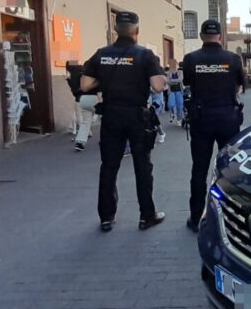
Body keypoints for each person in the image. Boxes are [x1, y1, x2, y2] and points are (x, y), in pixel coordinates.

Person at [80, 12, 167, 233]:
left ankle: (106, 218)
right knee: (142, 166)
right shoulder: (145, 55)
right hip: (137, 116)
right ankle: (146, 216)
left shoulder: (101, 54)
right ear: (137, 31)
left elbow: (85, 84)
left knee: (109, 167)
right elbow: (157, 86)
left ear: (116, 30)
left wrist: (107, 78)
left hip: (111, 115)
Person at [182, 19, 246, 233]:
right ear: (221, 36)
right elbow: (240, 86)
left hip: (201, 119)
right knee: (229, 169)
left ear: (201, 36)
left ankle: (195, 217)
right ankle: (230, 218)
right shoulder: (233, 59)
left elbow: (189, 84)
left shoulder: (191, 59)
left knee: (199, 169)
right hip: (228, 117)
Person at [65, 60, 99, 151]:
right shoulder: (97, 73)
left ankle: (80, 142)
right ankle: (106, 140)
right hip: (96, 98)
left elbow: (75, 89)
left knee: (85, 121)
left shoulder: (76, 74)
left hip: (83, 99)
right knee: (107, 119)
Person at [166, 59, 184, 125]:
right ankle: (172, 114)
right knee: (171, 104)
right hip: (171, 91)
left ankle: (179, 119)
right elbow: (167, 81)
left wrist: (172, 81)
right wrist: (175, 81)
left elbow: (180, 79)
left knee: (180, 106)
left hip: (179, 91)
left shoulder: (180, 72)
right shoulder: (168, 73)